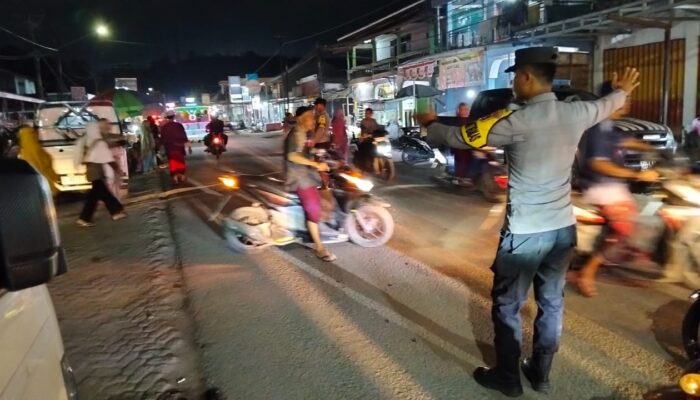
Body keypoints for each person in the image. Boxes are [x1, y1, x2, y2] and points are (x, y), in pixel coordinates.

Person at [419, 47, 640, 397]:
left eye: (514, 77)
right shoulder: (578, 112)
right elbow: (608, 104)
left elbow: (461, 137)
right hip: (562, 229)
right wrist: (622, 90)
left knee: (508, 305)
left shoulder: (517, 122)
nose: (513, 84)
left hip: (525, 233)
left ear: (525, 77)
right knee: (551, 302)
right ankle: (540, 372)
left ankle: (507, 377)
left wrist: (431, 125)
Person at [576, 82, 659, 297]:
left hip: (614, 187)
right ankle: (587, 272)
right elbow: (598, 163)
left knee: (652, 207)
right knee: (625, 226)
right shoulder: (597, 129)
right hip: (600, 187)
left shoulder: (609, 126)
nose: (627, 104)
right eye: (623, 99)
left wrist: (652, 149)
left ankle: (634, 253)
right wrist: (638, 174)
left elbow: (625, 140)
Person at [285, 106, 336, 262]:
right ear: (302, 119)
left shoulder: (303, 133)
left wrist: (316, 153)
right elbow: (293, 156)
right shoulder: (295, 135)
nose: (313, 121)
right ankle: (320, 248)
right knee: (314, 208)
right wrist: (316, 165)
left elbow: (305, 151)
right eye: (311, 117)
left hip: (307, 175)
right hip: (299, 177)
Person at [74, 121, 127, 227]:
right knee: (104, 194)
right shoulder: (98, 142)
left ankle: (84, 218)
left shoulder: (84, 140)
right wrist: (118, 170)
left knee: (95, 196)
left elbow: (78, 154)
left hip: (90, 170)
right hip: (97, 172)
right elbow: (108, 158)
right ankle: (116, 211)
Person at [18, 124, 60, 195]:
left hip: (31, 186)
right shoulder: (37, 147)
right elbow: (47, 161)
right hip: (45, 185)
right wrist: (55, 176)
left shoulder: (22, 151)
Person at [160, 110, 192, 184]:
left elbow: (163, 139)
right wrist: (189, 146)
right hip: (179, 148)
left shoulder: (164, 127)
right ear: (174, 117)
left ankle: (175, 176)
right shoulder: (178, 125)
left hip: (169, 149)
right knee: (180, 162)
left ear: (166, 117)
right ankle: (181, 176)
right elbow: (184, 136)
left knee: (172, 162)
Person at [452, 102, 473, 183]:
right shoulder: (456, 123)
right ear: (459, 111)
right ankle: (460, 178)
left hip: (470, 146)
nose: (465, 111)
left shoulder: (471, 121)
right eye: (463, 110)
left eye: (466, 109)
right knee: (462, 162)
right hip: (460, 147)